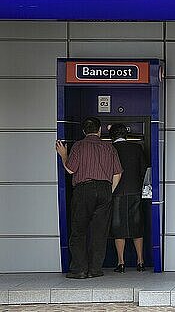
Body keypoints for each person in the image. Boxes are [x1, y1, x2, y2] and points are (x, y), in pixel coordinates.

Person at [55, 117, 123, 279]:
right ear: (99, 130)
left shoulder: (79, 146)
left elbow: (71, 169)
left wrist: (63, 155)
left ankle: (79, 270)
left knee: (79, 231)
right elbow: (118, 172)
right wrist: (109, 191)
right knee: (100, 232)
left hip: (83, 190)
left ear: (84, 131)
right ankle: (95, 270)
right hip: (105, 189)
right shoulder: (109, 147)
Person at [109, 123, 148, 273]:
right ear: (125, 134)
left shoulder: (110, 149)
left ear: (112, 136)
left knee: (118, 228)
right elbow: (144, 169)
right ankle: (140, 261)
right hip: (134, 192)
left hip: (116, 192)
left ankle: (121, 263)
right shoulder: (136, 148)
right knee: (137, 227)